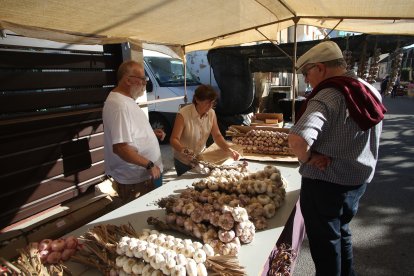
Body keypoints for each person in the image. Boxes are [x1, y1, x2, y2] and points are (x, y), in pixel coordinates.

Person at [288, 41, 387, 276]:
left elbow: (297, 139)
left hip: (326, 184)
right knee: (341, 232)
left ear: (320, 68)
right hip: (356, 181)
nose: (307, 80)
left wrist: (309, 157)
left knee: (325, 245)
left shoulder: (330, 94)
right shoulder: (368, 88)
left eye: (307, 73)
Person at [103, 60, 165, 203]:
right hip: (137, 179)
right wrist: (149, 164)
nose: (145, 83)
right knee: (144, 218)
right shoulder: (119, 105)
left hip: (146, 175)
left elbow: (128, 133)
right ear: (128, 80)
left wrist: (150, 134)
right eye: (143, 79)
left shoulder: (126, 100)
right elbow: (120, 148)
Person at [170, 84, 240, 176]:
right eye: (207, 103)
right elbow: (173, 139)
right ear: (197, 100)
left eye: (213, 103)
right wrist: (183, 150)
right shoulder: (183, 114)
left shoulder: (211, 113)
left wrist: (228, 149)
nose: (210, 106)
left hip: (200, 157)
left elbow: (217, 135)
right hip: (183, 160)